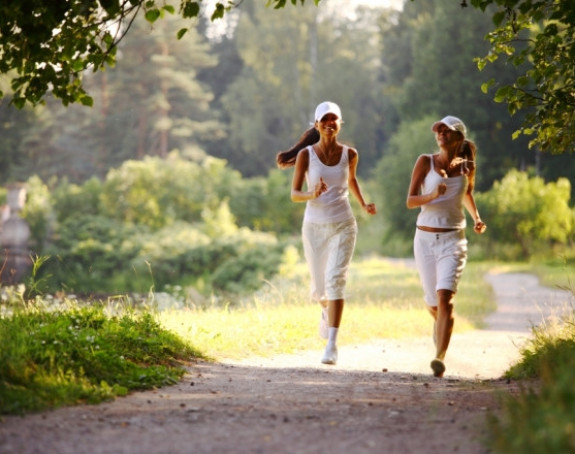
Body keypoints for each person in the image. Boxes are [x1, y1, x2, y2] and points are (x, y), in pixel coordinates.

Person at [276, 101, 376, 365]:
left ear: (340, 123)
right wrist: (313, 193)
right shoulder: (306, 155)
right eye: (325, 119)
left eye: (335, 119)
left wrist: (364, 203)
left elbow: (351, 180)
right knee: (320, 291)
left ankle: (332, 343)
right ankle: (325, 312)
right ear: (317, 124)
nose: (330, 123)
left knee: (336, 280)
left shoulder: (350, 154)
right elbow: (295, 194)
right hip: (314, 227)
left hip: (343, 224)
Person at [406, 115, 486, 378]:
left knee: (446, 299)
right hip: (425, 240)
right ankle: (440, 326)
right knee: (433, 304)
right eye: (438, 130)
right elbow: (410, 201)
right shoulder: (424, 162)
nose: (441, 134)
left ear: (459, 137)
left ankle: (439, 357)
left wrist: (476, 217)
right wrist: (432, 195)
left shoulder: (467, 166)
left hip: (454, 239)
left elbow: (467, 192)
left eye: (447, 131)